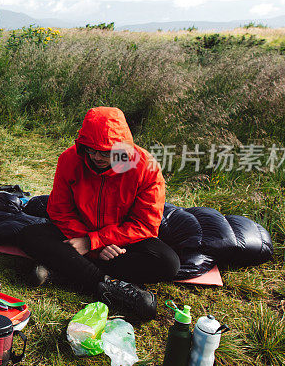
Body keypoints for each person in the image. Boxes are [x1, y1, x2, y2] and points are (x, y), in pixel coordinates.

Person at [19, 107, 180, 321]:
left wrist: (95, 242)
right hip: (77, 233)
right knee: (28, 235)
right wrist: (90, 243)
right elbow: (59, 210)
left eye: (105, 151)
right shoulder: (70, 159)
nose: (96, 157)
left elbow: (145, 224)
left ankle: (65, 271)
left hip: (121, 240)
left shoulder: (145, 167)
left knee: (168, 263)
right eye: (90, 149)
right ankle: (107, 284)